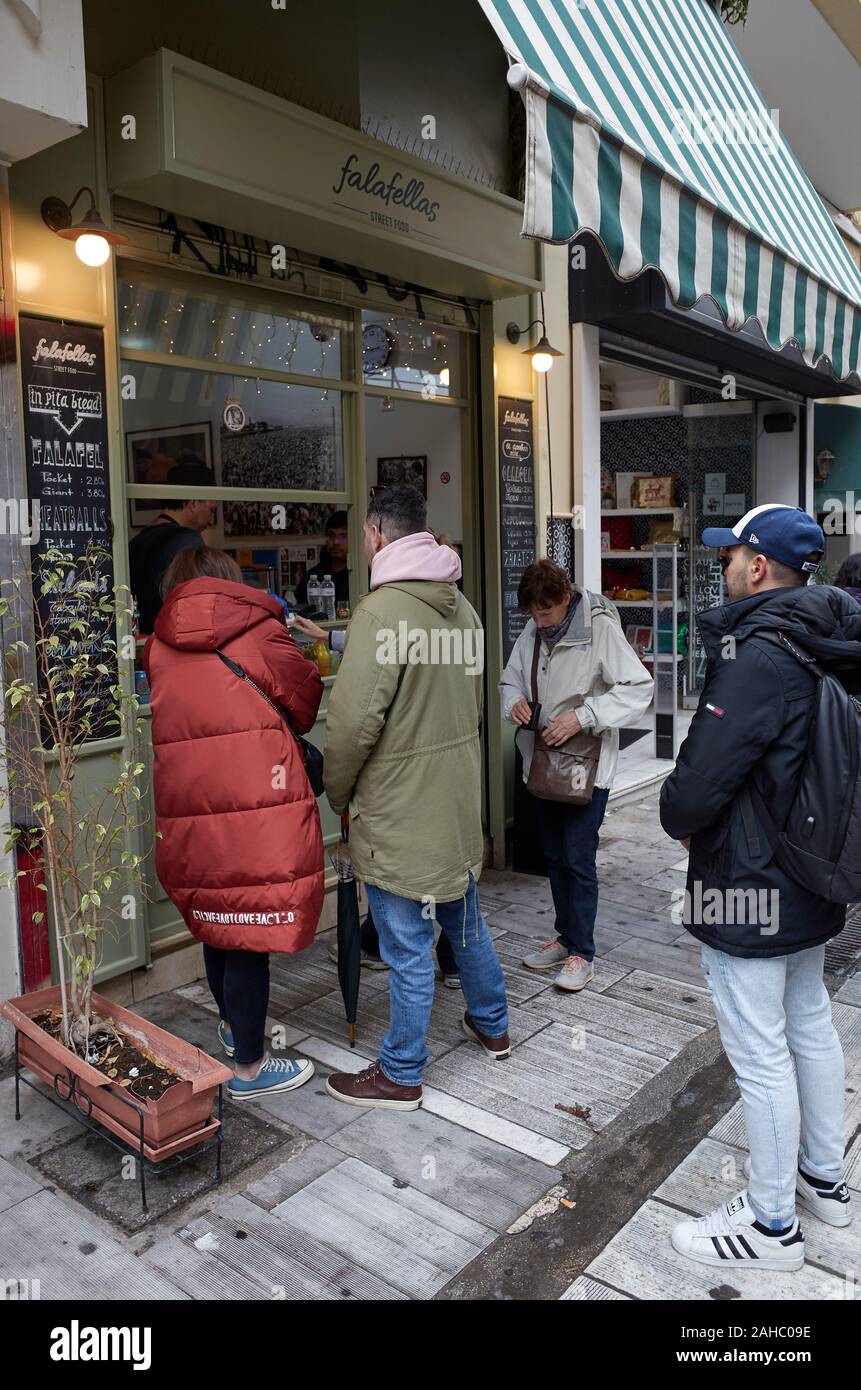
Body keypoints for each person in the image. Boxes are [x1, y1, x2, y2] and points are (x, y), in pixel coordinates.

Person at [660, 504, 861, 1270]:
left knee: (758, 1048)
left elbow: (700, 779)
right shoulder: (824, 635)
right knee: (807, 1020)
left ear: (756, 566)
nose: (722, 566)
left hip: (749, 877)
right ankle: (822, 1179)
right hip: (810, 871)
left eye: (729, 554)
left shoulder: (757, 651)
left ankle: (771, 1225)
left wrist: (674, 814)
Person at [322, 485, 509, 1110]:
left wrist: (338, 793)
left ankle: (401, 1071)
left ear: (376, 534)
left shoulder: (380, 614)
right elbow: (472, 709)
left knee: (406, 941)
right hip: (455, 804)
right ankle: (492, 1022)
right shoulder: (464, 608)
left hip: (401, 807)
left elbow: (351, 727)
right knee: (463, 919)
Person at [144, 545, 324, 1100]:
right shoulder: (260, 633)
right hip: (255, 804)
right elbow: (306, 702)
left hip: (191, 805)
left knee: (216, 914)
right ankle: (248, 1068)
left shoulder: (157, 647)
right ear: (228, 583)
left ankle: (230, 1027)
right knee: (249, 931)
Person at [500, 559, 653, 991]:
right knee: (553, 856)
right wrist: (513, 702)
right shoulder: (535, 629)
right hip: (544, 762)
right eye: (532, 613)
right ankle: (565, 938)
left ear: (565, 599)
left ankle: (582, 952)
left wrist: (584, 715)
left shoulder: (599, 627)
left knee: (578, 858)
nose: (538, 621)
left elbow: (639, 688)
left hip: (586, 766)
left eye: (545, 612)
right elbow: (508, 680)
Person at [129, 461, 216, 634]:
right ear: (193, 504)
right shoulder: (186, 540)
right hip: (172, 639)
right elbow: (198, 607)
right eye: (211, 510)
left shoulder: (137, 540)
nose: (211, 520)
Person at [294, 510, 350, 607]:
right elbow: (300, 611)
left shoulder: (362, 576)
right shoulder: (312, 577)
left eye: (343, 536)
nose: (336, 542)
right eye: (332, 535)